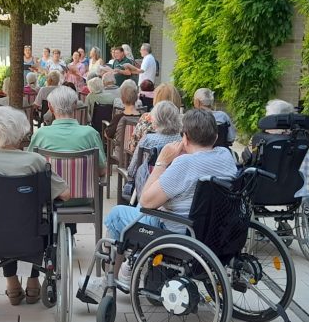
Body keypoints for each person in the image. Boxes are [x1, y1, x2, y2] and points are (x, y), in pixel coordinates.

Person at [100, 109, 236, 290]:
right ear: (216, 136)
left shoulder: (185, 164)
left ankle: (111, 279)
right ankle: (127, 269)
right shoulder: (226, 156)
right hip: (216, 230)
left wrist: (162, 163)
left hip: (179, 232)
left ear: (185, 138)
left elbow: (146, 202)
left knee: (117, 214)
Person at [0, 107, 70, 305]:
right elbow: (65, 194)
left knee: (1, 218)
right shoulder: (36, 161)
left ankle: (12, 285)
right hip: (31, 236)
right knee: (39, 219)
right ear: (22, 133)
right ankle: (34, 283)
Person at [28, 87, 106, 175]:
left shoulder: (40, 134)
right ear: (75, 105)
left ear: (50, 107)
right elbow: (101, 170)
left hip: (50, 188)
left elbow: (31, 167)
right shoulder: (91, 133)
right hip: (83, 188)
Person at [124, 101, 182, 199]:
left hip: (147, 189)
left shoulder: (148, 139)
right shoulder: (182, 140)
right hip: (174, 189)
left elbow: (132, 169)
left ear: (157, 120)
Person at [128, 83, 182, 153]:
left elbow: (133, 146)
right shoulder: (184, 121)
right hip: (176, 161)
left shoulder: (146, 118)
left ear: (156, 100)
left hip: (147, 161)